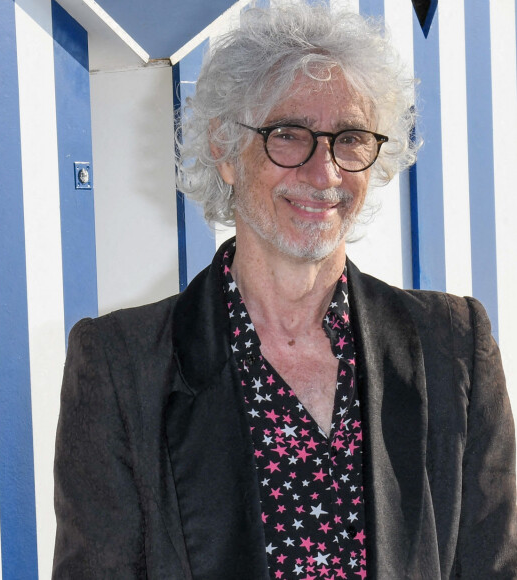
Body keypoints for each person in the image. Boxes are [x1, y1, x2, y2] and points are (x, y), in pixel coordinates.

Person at [52, 2, 517, 578]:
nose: (324, 173)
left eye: (348, 138)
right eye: (289, 135)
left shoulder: (453, 346)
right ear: (223, 149)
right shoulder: (122, 363)